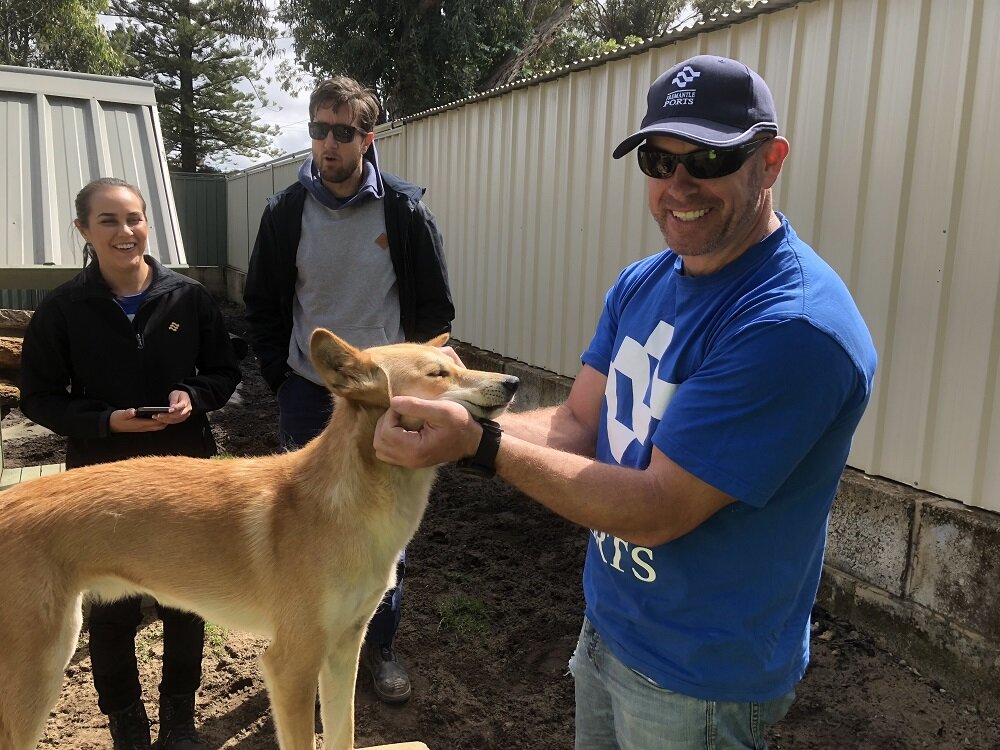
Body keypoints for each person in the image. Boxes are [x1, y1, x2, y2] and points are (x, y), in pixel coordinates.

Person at [372, 55, 878, 749]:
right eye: (658, 161)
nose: (679, 186)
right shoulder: (643, 283)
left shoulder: (792, 327)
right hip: (610, 626)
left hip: (700, 679)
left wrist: (478, 445)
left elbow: (659, 508)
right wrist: (458, 417)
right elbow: (579, 421)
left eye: (709, 159)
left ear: (770, 162)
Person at [243, 74, 454, 704]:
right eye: (319, 129)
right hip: (310, 393)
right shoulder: (285, 213)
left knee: (384, 527)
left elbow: (434, 312)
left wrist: (415, 393)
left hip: (389, 402)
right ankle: (304, 642)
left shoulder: (404, 211)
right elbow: (262, 304)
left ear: (368, 138)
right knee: (305, 526)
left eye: (342, 131)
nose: (328, 143)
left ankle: (378, 646)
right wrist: (281, 378)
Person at [19, 177, 242, 750]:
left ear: (148, 222)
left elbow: (224, 371)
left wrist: (194, 396)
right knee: (111, 611)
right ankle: (127, 723)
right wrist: (105, 422)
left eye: (134, 218)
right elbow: (39, 398)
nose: (125, 232)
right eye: (109, 221)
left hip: (185, 477)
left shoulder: (189, 298)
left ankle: (179, 721)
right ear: (83, 230)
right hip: (102, 484)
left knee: (186, 603)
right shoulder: (62, 309)